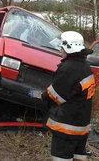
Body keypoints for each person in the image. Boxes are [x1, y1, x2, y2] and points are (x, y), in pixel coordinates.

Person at [40, 31, 95, 161]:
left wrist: (43, 97)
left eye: (62, 47)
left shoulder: (68, 68)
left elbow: (55, 95)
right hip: (81, 126)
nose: (60, 50)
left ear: (68, 48)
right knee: (78, 156)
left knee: (61, 157)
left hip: (66, 127)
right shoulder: (85, 66)